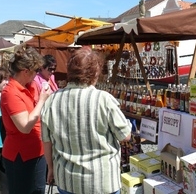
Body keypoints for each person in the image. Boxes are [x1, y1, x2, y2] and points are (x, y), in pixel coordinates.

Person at [41, 46, 132, 194]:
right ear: (95, 72)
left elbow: (47, 141)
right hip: (102, 181)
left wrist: (50, 169)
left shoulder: (52, 100)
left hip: (67, 179)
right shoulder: (104, 99)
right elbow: (125, 135)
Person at [0, 46, 51, 194]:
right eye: (35, 71)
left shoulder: (29, 86)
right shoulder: (11, 92)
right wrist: (42, 100)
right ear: (25, 71)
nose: (37, 75)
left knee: (39, 190)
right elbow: (25, 126)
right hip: (20, 156)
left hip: (37, 150)